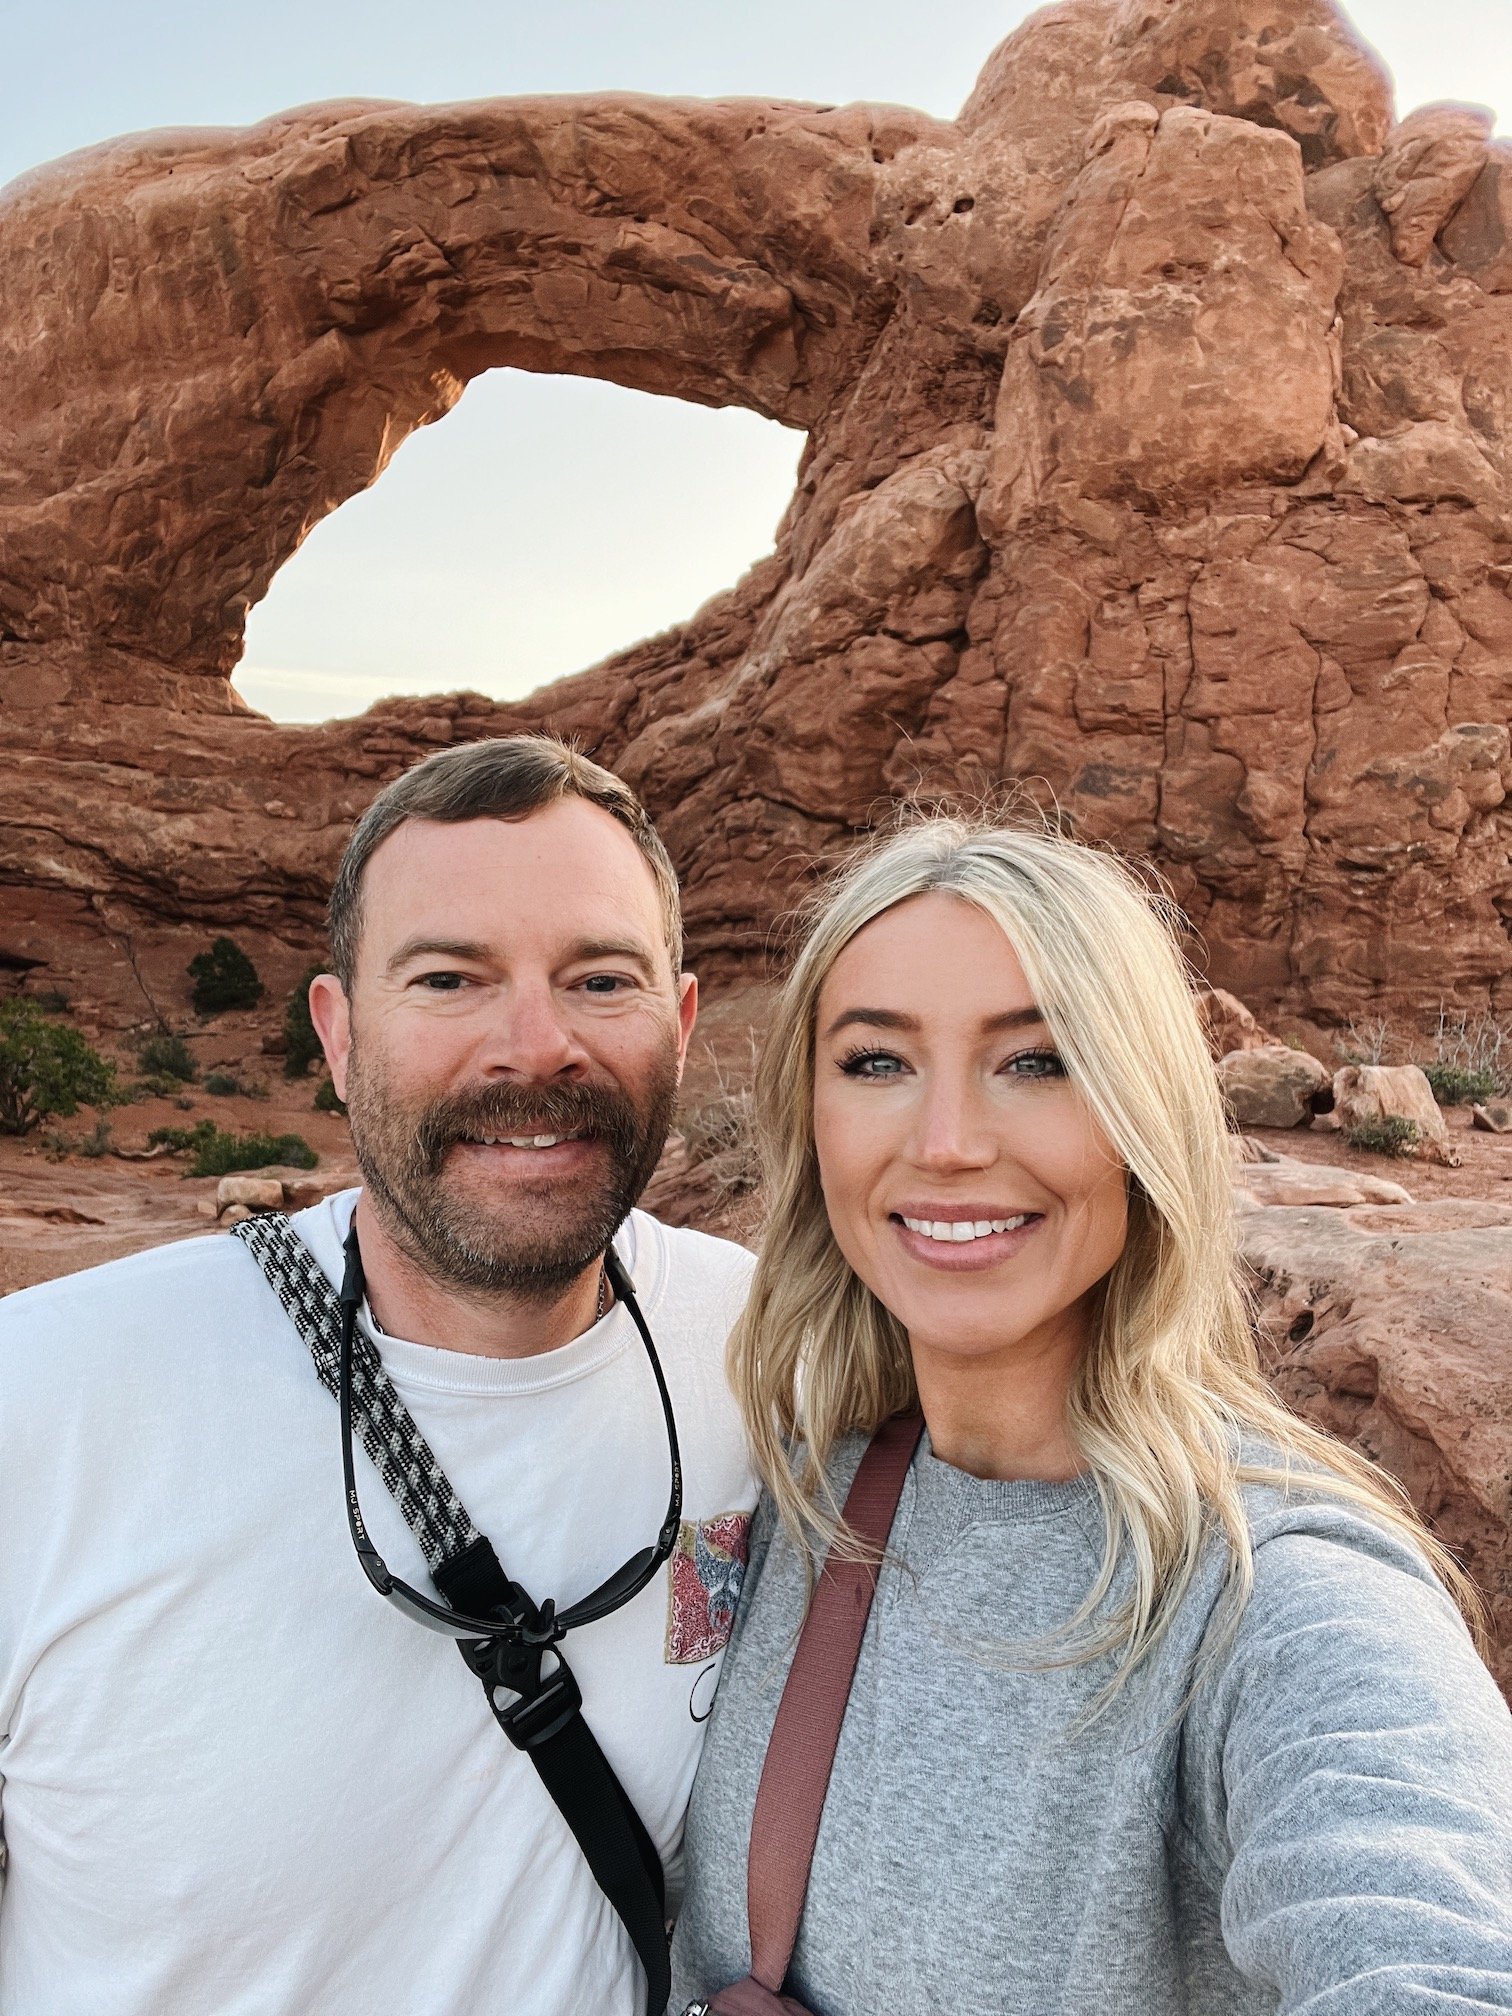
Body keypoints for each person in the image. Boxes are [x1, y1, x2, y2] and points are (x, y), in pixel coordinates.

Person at [671, 814, 1512, 2016]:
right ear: (811, 1120)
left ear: (1142, 1115)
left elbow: (1429, 1950)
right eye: (875, 1062)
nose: (948, 1144)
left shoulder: (1280, 1596)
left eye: (1038, 1060)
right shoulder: (789, 1483)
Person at [0, 735, 757, 2016]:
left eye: (601, 978)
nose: (537, 1045)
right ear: (340, 1036)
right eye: (450, 978)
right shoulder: (48, 1397)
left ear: (679, 1027)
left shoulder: (769, 1349)